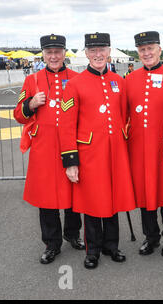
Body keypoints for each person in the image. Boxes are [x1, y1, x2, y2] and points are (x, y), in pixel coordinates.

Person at [59, 32, 136, 269]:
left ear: (109, 51)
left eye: (102, 49)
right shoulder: (74, 84)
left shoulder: (119, 81)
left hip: (115, 154)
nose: (98, 54)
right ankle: (92, 250)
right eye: (92, 50)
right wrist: (71, 161)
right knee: (92, 203)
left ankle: (111, 246)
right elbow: (67, 124)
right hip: (89, 155)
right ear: (86, 53)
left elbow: (125, 116)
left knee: (112, 200)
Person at [13, 34, 84, 264]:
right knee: (46, 200)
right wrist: (30, 104)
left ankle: (72, 234)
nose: (53, 56)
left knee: (73, 194)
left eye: (58, 52)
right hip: (43, 150)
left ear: (64, 53)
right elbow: (18, 115)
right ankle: (51, 243)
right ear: (43, 54)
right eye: (49, 52)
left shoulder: (77, 78)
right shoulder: (32, 80)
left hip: (70, 146)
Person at [126, 31, 163, 257]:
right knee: (144, 194)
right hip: (139, 149)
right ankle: (151, 237)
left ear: (160, 49)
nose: (147, 53)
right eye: (142, 49)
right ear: (138, 53)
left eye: (151, 48)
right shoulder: (129, 79)